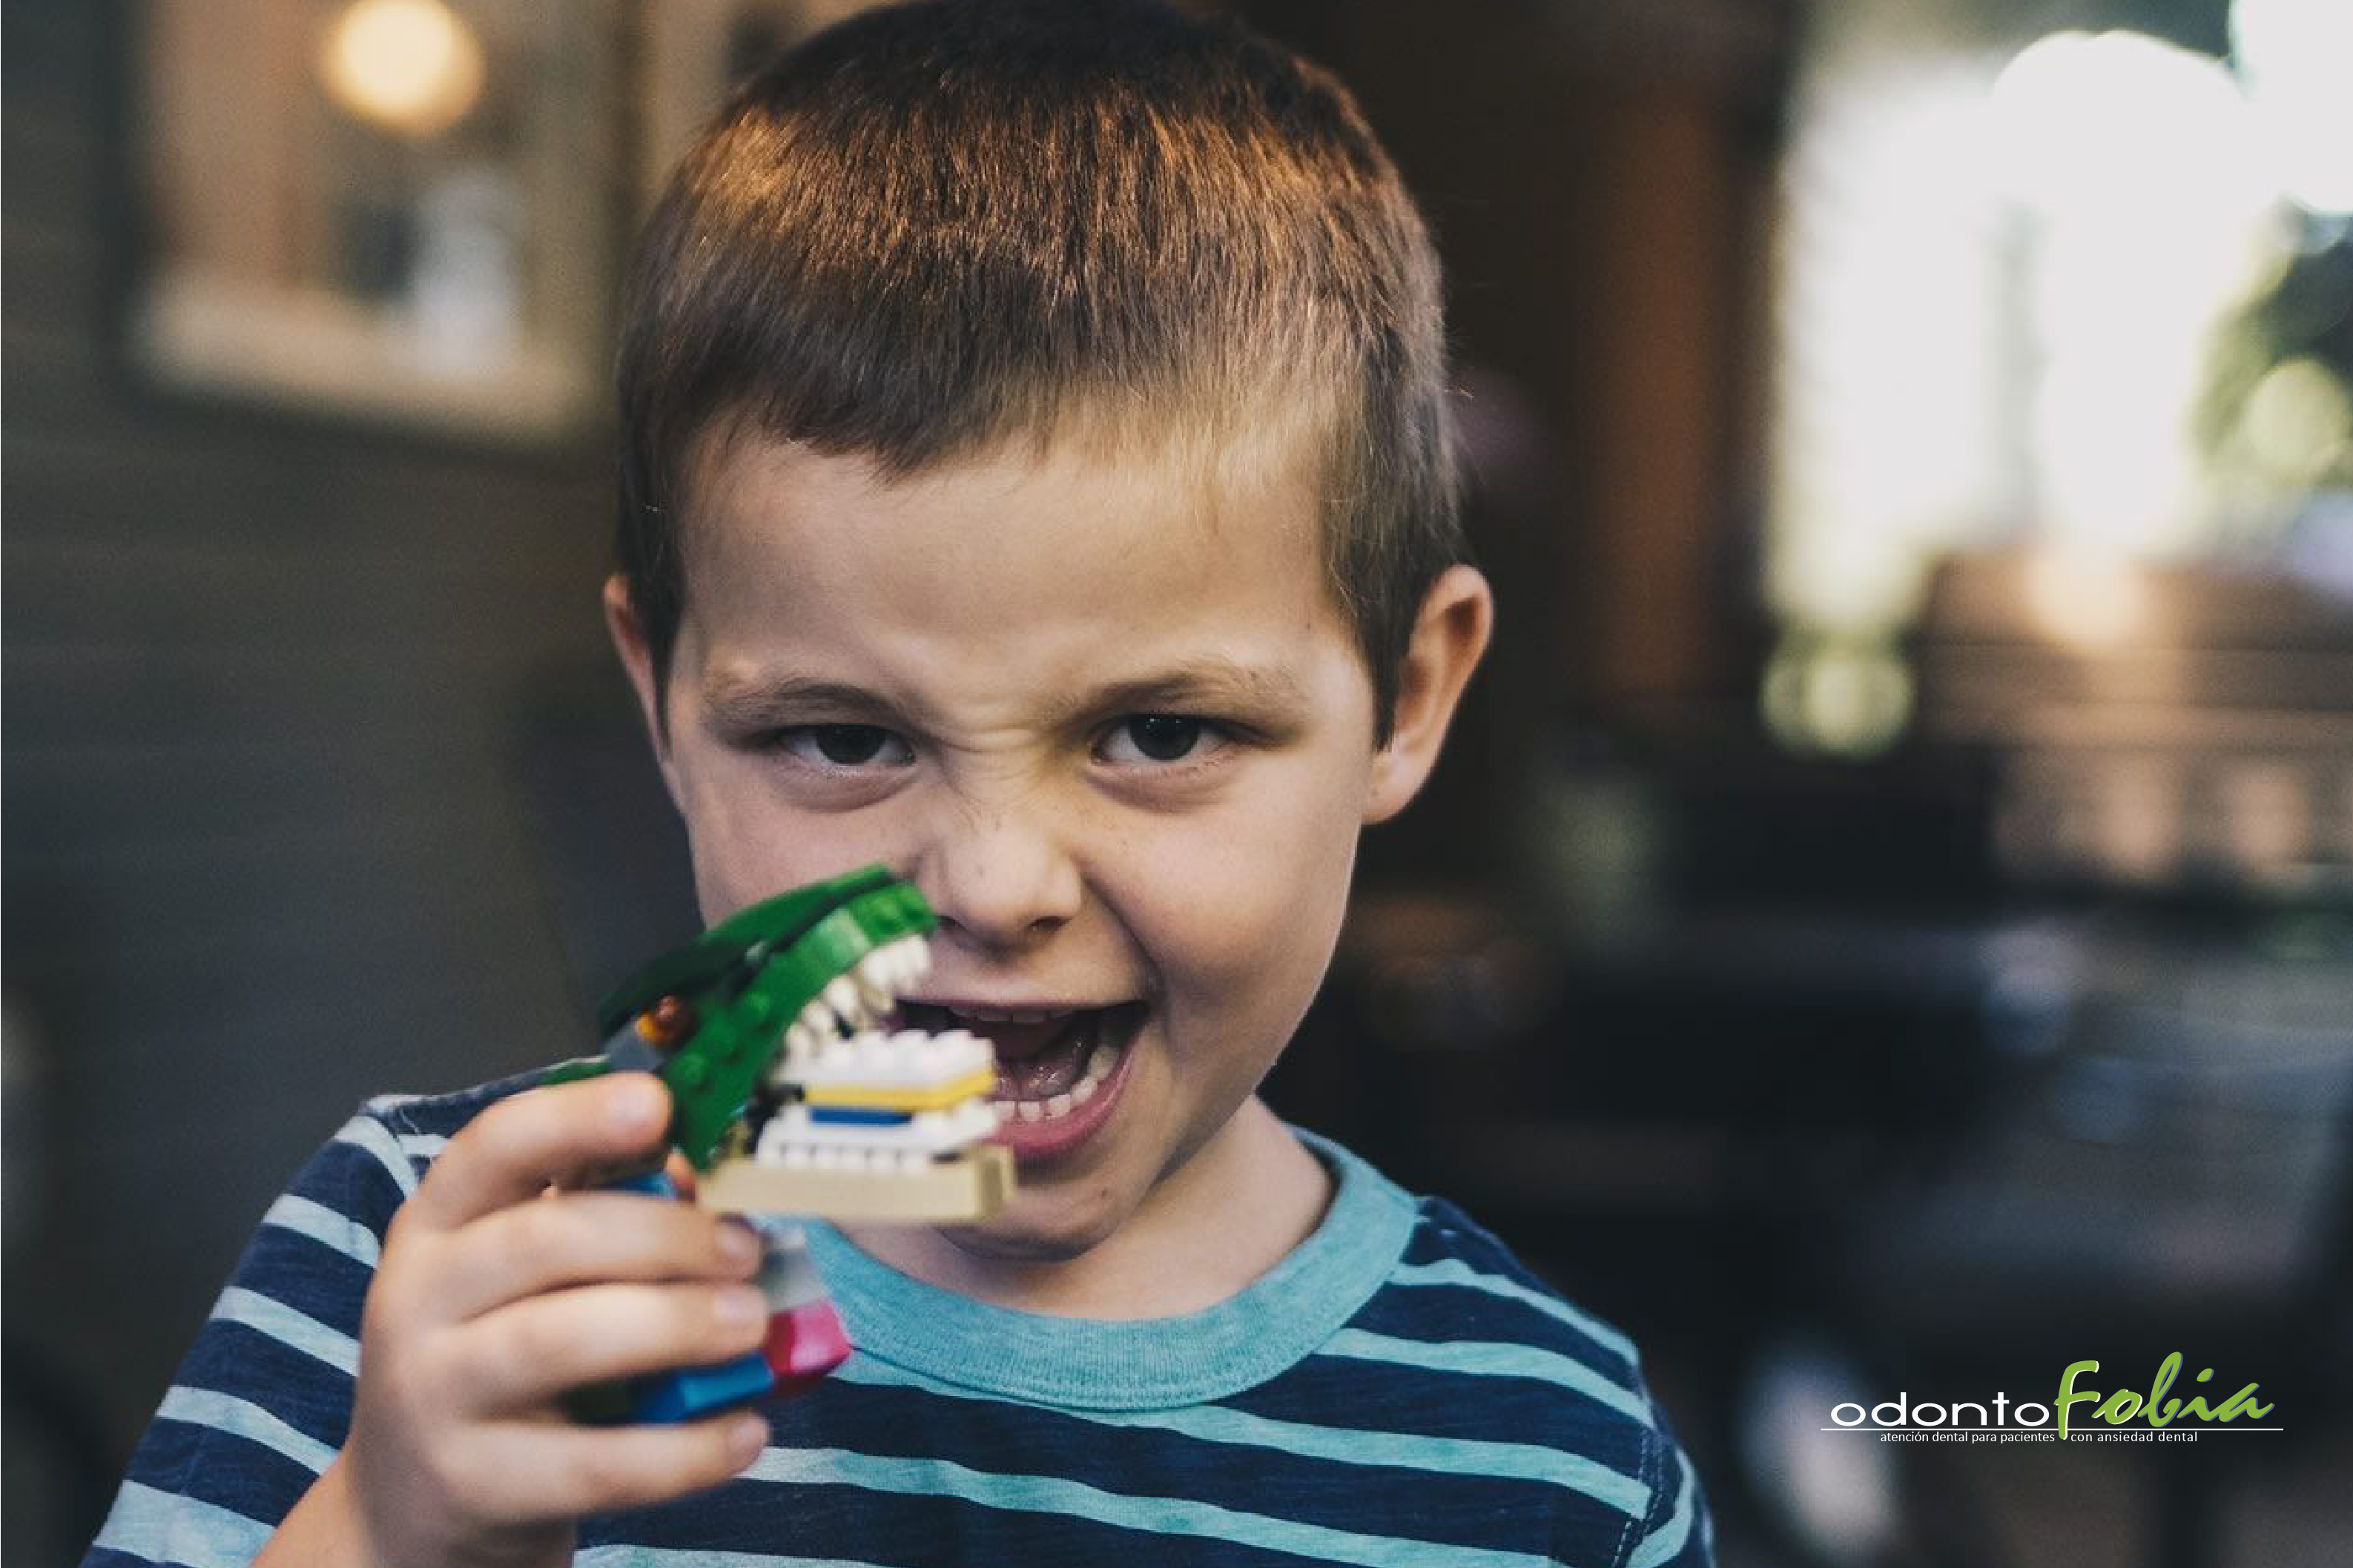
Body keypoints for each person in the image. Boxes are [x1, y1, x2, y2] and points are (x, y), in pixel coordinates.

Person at [87, 2, 1714, 1564]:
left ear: (1404, 701)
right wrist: (387, 1530)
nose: (997, 883)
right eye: (846, 739)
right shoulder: (429, 1276)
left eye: (1157, 733)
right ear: (659, 696)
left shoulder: (1550, 1453)